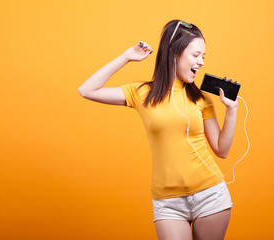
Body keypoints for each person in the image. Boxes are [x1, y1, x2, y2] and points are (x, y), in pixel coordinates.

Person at [78, 19, 238, 240]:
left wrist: (231, 110)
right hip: (168, 202)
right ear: (174, 52)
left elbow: (222, 150)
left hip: (210, 194)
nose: (201, 62)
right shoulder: (141, 93)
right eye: (195, 55)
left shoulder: (201, 98)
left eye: (203, 56)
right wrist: (126, 57)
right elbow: (86, 90)